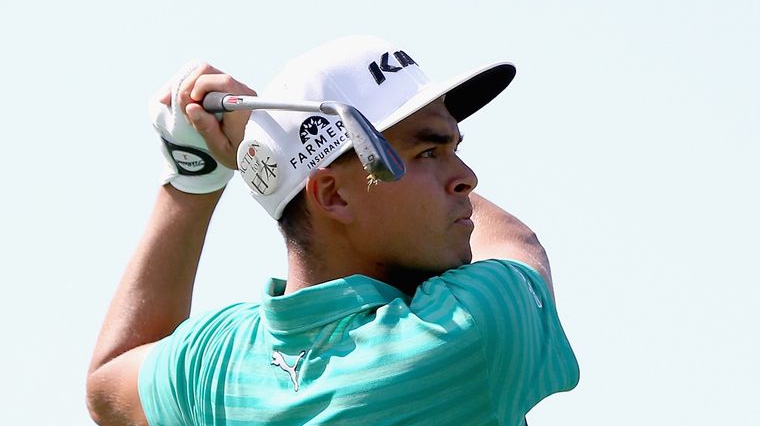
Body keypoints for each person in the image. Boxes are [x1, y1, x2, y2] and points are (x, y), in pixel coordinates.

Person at [86, 35, 579, 426]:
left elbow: (110, 384)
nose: (466, 178)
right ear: (333, 196)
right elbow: (515, 243)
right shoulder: (467, 329)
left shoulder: (216, 365)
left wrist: (196, 179)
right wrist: (263, 153)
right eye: (428, 152)